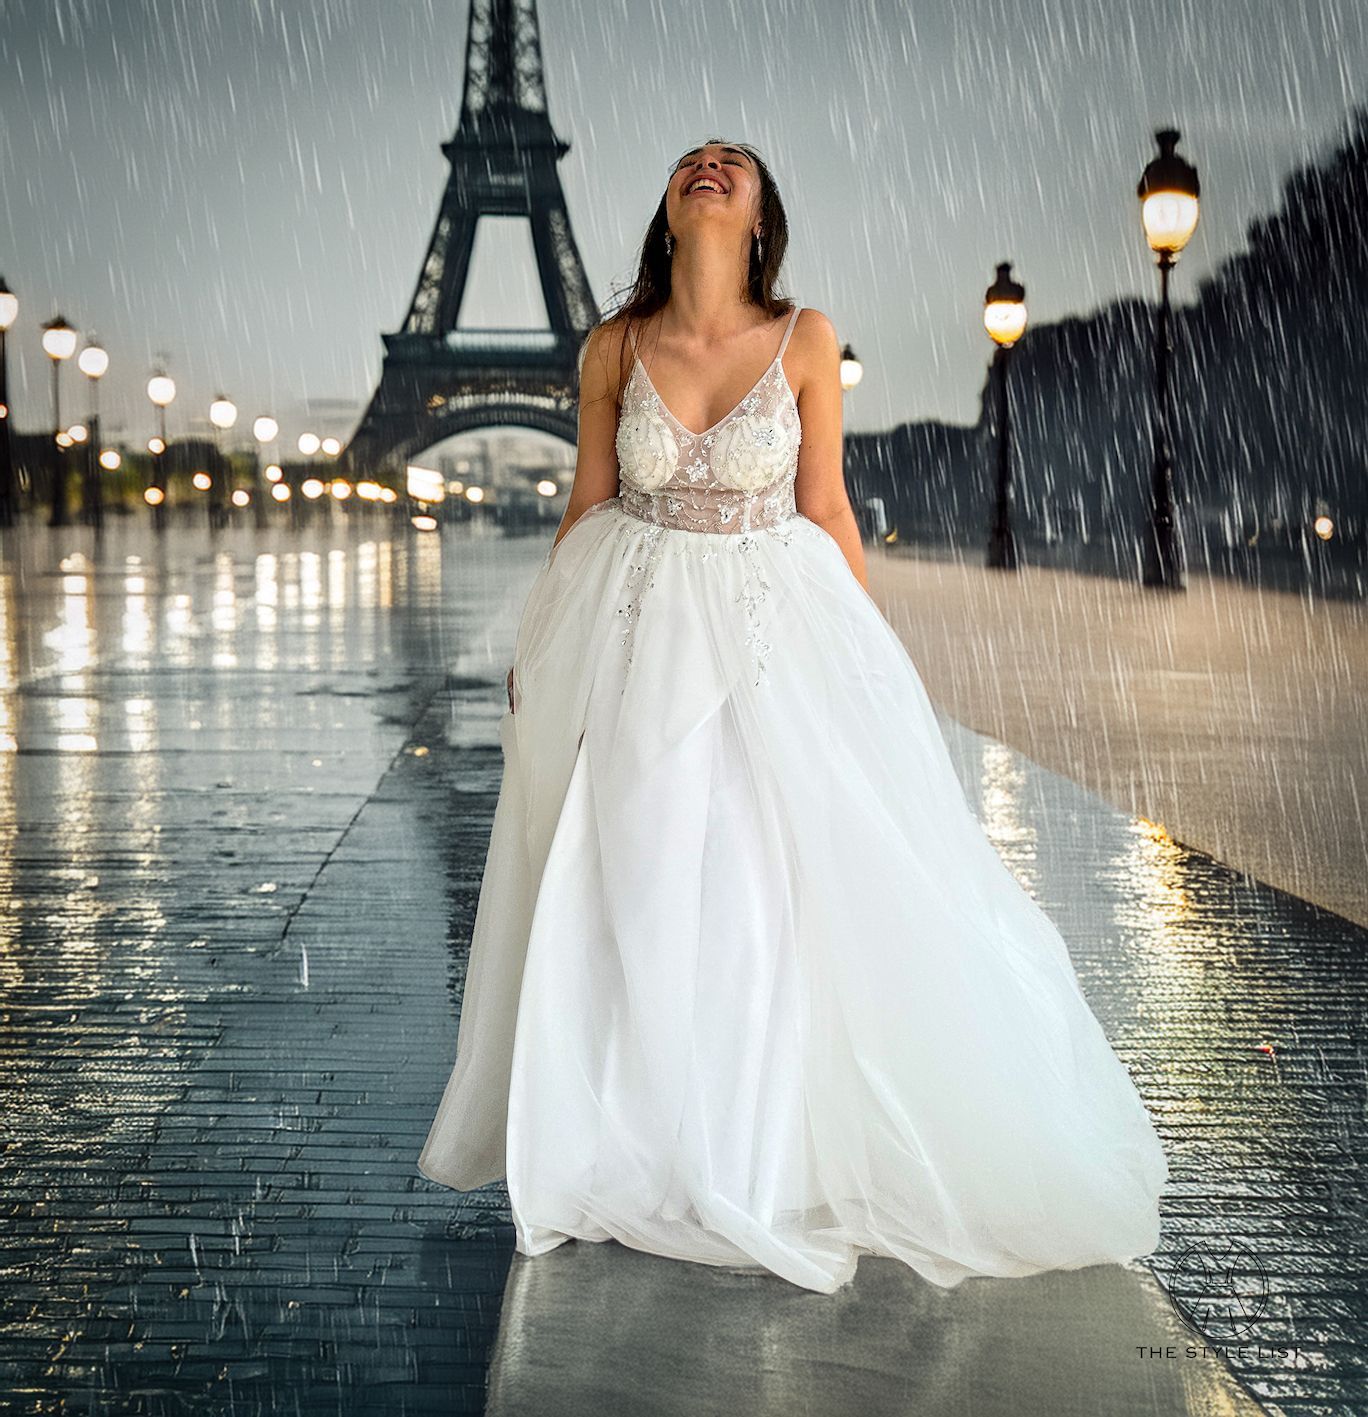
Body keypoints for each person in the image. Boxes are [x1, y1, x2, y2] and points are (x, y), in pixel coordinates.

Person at [418, 138, 1168, 1295]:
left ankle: (750, 1147)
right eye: (689, 161)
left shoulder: (806, 338)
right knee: (645, 887)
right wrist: (537, 648)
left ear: (761, 215)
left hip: (772, 636)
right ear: (670, 208)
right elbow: (586, 507)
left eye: (735, 162)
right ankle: (648, 1139)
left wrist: (869, 661)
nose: (709, 166)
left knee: (763, 895)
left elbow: (825, 507)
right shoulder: (612, 345)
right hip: (639, 638)